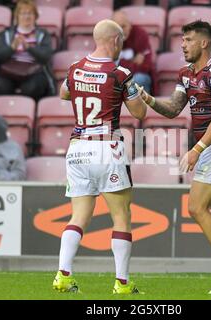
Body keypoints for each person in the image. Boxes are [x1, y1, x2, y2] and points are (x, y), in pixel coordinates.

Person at [138, 20, 211, 294]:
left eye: (188, 40)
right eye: (182, 40)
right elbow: (175, 108)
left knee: (195, 208)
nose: (182, 44)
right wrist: (149, 100)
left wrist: (196, 150)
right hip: (210, 149)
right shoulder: (186, 74)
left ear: (203, 42)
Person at [52, 19, 148, 294]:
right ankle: (122, 283)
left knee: (78, 216)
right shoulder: (119, 73)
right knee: (121, 216)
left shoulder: (75, 68)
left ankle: (63, 275)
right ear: (115, 41)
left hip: (78, 148)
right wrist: (136, 95)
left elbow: (63, 93)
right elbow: (139, 114)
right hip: (107, 146)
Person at [0, 0, 55, 100]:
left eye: (30, 13)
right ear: (17, 16)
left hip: (34, 72)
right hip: (9, 71)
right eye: (23, 13)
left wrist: (29, 48)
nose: (27, 16)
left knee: (32, 88)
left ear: (35, 16)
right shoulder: (7, 33)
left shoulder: (43, 34)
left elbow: (46, 57)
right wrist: (12, 48)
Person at [112, 10, 154, 94]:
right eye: (117, 27)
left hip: (136, 77)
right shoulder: (107, 36)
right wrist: (132, 62)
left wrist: (118, 63)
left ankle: (140, 106)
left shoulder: (140, 34)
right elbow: (103, 66)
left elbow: (145, 67)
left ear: (130, 25)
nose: (121, 31)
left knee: (139, 79)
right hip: (118, 76)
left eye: (123, 26)